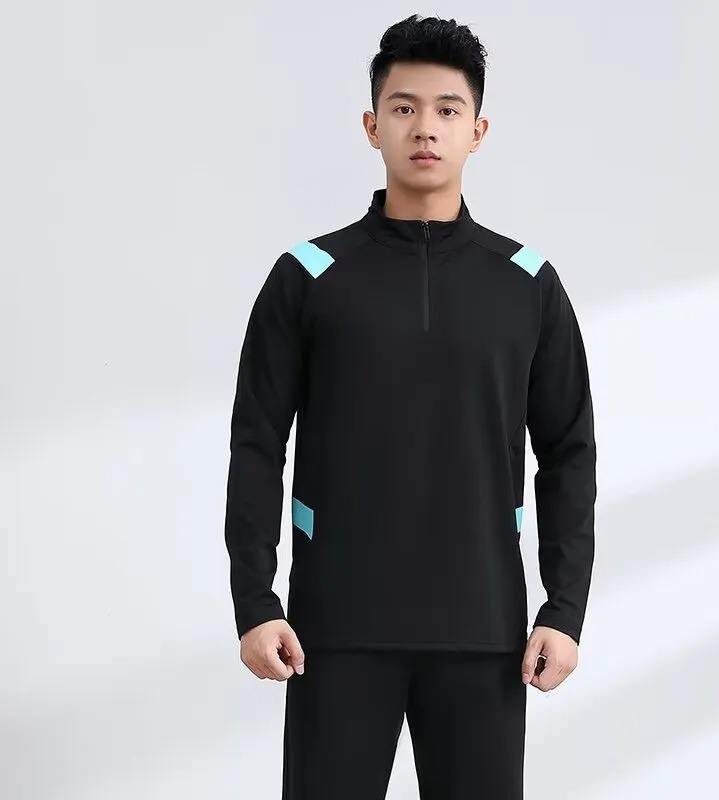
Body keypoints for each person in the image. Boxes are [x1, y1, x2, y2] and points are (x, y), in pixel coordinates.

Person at [224, 13, 597, 799]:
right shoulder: (308, 276)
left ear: (477, 131)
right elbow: (257, 443)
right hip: (334, 631)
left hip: (484, 633)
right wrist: (255, 602)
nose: (425, 127)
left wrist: (564, 610)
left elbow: (568, 451)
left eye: (447, 109)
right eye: (403, 107)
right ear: (372, 125)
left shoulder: (526, 283)